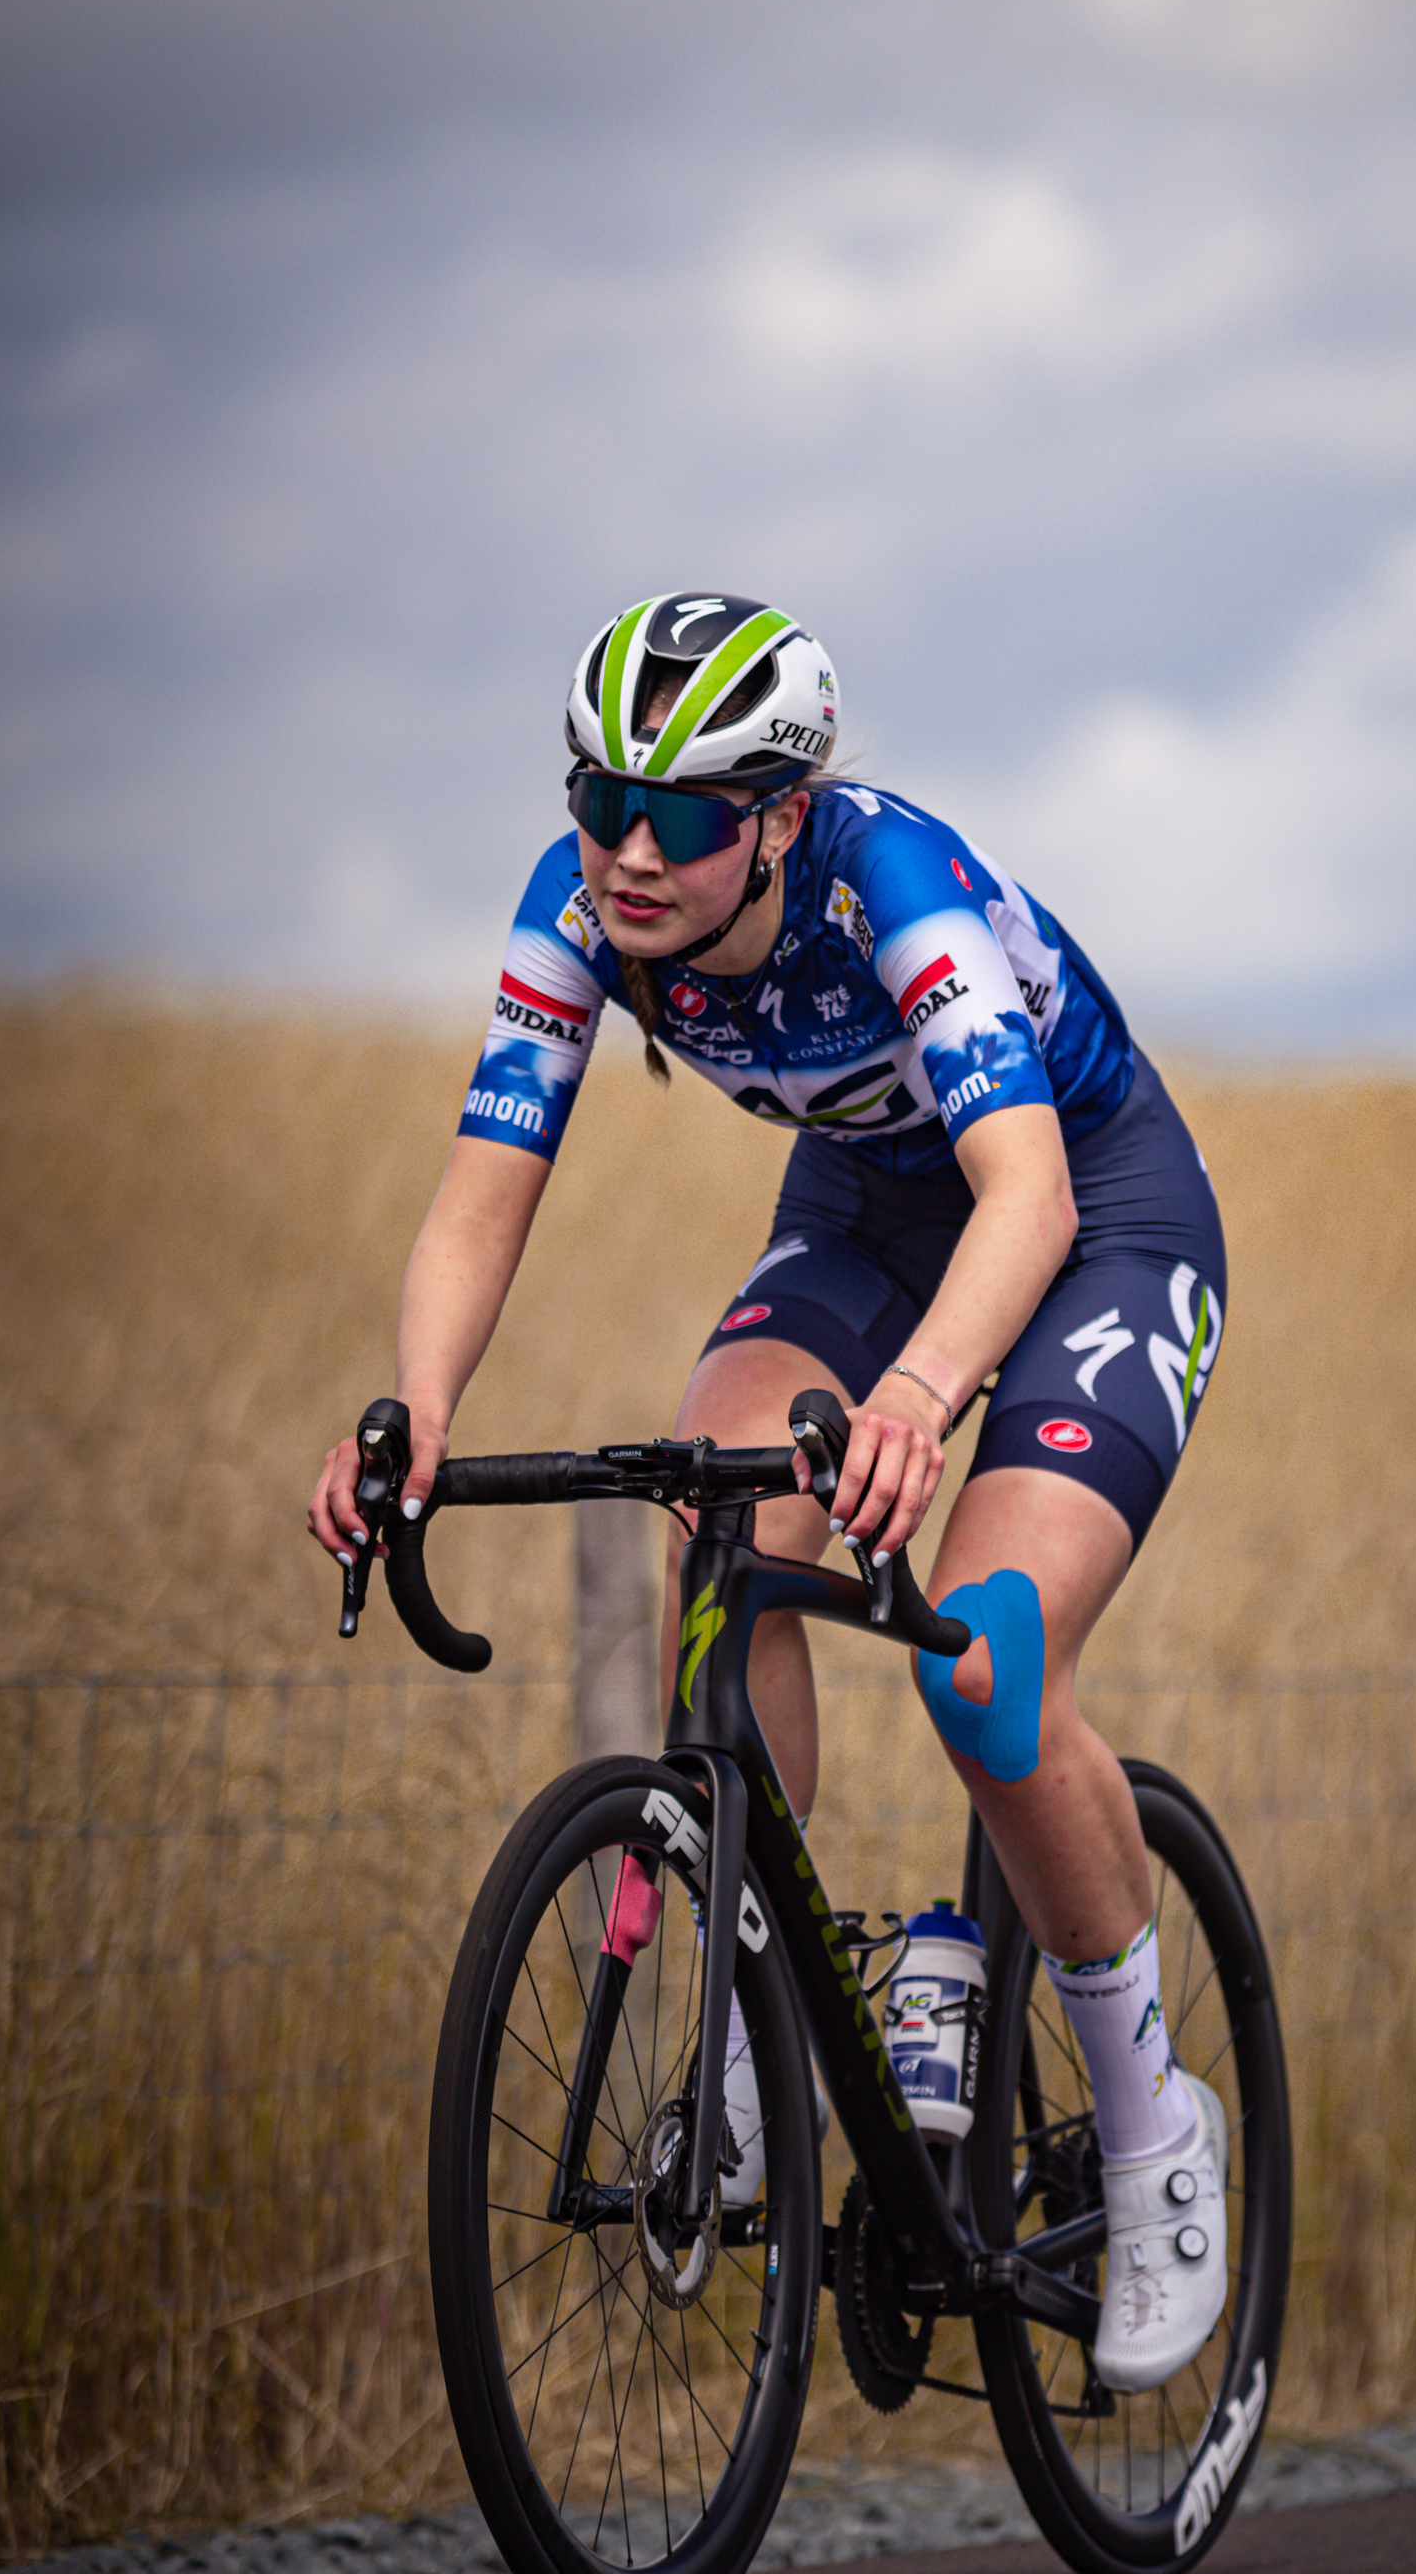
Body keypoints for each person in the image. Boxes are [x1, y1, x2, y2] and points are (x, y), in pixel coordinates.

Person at [308, 593, 1229, 2392]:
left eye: (689, 811)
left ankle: (1151, 2124)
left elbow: (1029, 1201)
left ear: (785, 816)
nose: (632, 848)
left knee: (985, 1663)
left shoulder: (898, 890)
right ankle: (746, 2043)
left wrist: (917, 1395)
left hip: (1093, 1211)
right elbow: (489, 1178)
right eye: (602, 798)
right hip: (868, 1215)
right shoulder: (580, 911)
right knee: (714, 1530)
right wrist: (416, 1407)